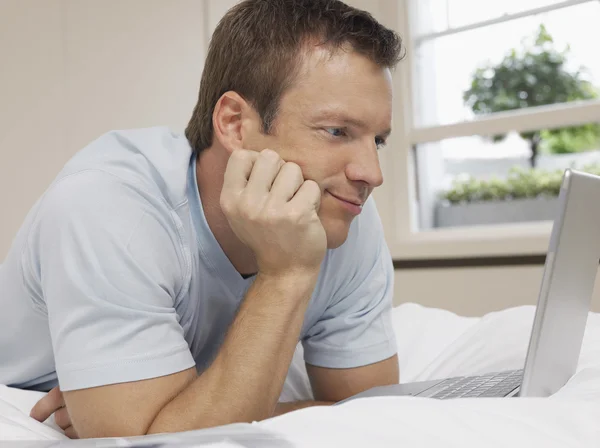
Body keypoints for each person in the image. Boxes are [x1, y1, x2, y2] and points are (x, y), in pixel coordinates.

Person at [0, 0, 404, 439]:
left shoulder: (342, 213)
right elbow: (151, 440)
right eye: (337, 131)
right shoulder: (108, 205)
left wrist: (176, 415)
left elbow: (373, 410)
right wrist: (287, 274)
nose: (371, 174)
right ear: (234, 123)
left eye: (377, 140)